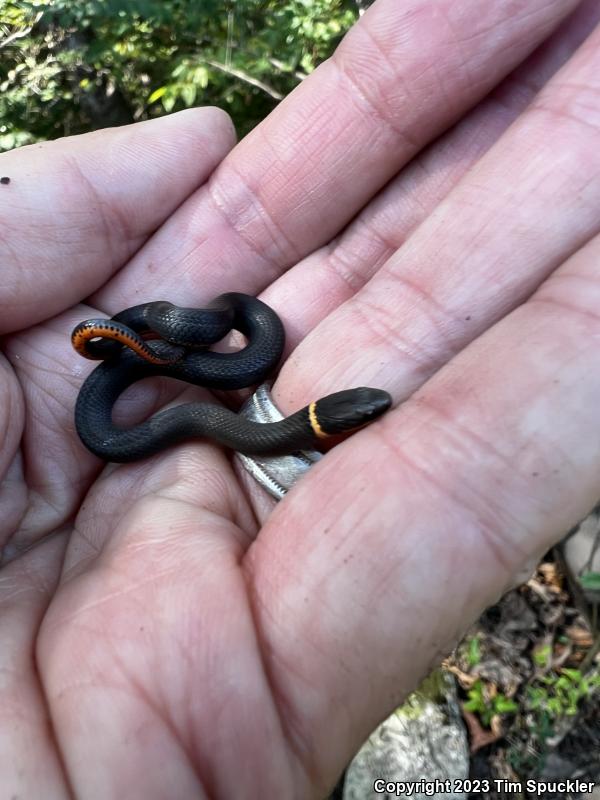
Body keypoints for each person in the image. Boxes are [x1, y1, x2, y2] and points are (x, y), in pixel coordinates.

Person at [1, 0, 599, 796]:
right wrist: (161, 344)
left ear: (319, 427)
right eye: (359, 413)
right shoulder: (186, 383)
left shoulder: (242, 375)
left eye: (356, 413)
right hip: (180, 342)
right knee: (188, 348)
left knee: (204, 352)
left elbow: (239, 356)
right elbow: (207, 358)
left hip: (194, 344)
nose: (370, 410)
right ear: (322, 428)